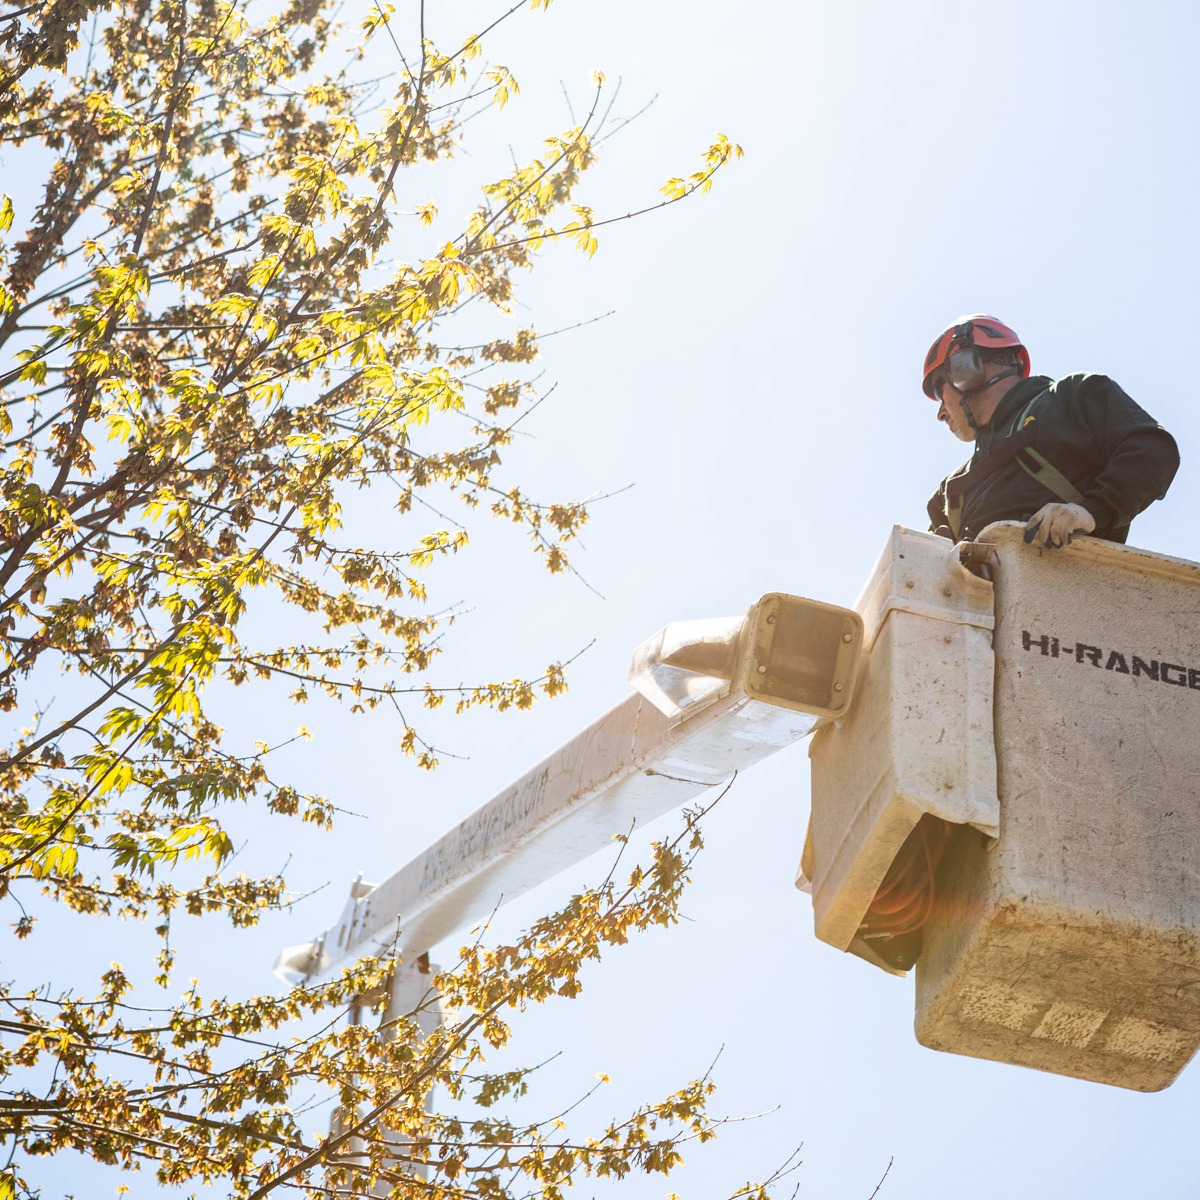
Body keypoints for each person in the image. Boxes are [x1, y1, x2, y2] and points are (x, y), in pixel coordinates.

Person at [923, 315, 1179, 548]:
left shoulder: (1072, 398)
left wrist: (1090, 511)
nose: (940, 413)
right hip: (980, 596)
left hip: (1062, 588)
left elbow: (1153, 449)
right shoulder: (950, 490)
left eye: (938, 392)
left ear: (965, 369)